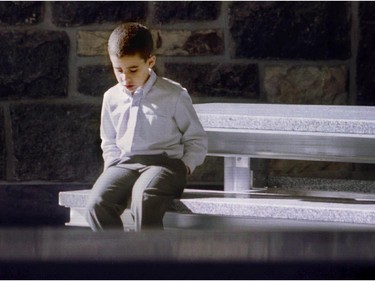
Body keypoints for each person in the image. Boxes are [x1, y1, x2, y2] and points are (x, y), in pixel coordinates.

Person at [85, 22, 208, 232]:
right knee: (96, 204)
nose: (125, 78)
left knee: (143, 198)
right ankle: (121, 260)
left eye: (133, 69)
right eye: (119, 70)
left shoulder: (173, 94)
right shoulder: (111, 98)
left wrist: (185, 166)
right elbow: (110, 141)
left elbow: (196, 139)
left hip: (165, 166)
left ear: (150, 61)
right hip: (125, 165)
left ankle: (153, 262)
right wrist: (112, 170)